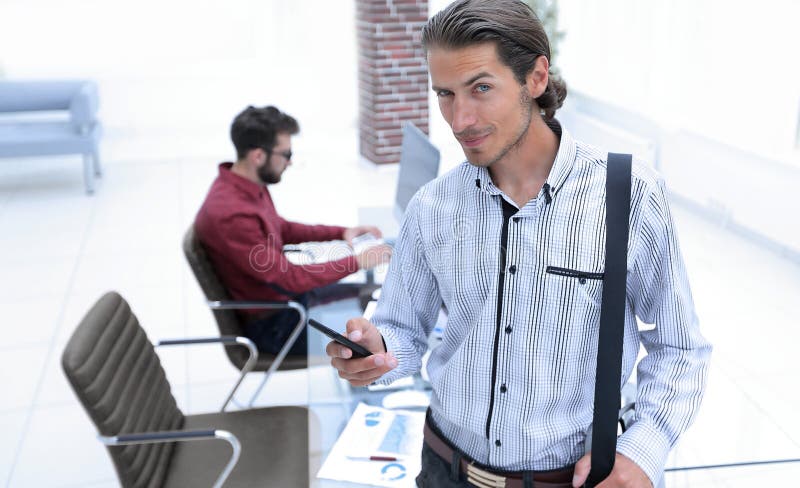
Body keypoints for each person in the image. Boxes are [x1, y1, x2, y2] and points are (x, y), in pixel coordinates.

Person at [325, 1, 711, 487]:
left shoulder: (629, 195)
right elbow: (403, 328)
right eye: (445, 94)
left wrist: (642, 449)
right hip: (444, 468)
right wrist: (375, 352)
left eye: (481, 88)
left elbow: (679, 347)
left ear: (535, 78)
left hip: (567, 478)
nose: (459, 118)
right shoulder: (433, 206)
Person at [195, 105, 391, 356]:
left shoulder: (245, 184)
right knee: (383, 327)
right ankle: (374, 385)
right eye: (286, 153)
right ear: (258, 156)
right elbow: (288, 279)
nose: (290, 161)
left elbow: (282, 229)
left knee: (380, 300)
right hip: (278, 324)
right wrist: (356, 261)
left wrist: (342, 232)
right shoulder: (232, 214)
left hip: (288, 303)